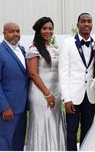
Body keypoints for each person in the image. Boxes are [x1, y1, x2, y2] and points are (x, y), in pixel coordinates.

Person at [0, 22, 28, 150]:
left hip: (21, 107)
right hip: (6, 109)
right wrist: (5, 107)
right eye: (11, 31)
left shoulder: (22, 50)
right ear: (4, 33)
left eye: (18, 31)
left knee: (18, 143)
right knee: (5, 144)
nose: (15, 34)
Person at [25, 17, 66, 150]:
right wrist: (47, 94)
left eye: (50, 28)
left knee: (55, 122)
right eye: (44, 28)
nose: (48, 31)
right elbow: (33, 74)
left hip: (56, 91)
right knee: (42, 122)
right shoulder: (34, 49)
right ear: (38, 30)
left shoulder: (56, 48)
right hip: (40, 92)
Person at [59, 12, 95, 151]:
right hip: (72, 97)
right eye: (83, 21)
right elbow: (63, 73)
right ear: (77, 24)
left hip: (91, 96)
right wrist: (66, 98)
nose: (86, 24)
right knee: (71, 131)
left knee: (87, 130)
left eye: (89, 21)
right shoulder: (67, 43)